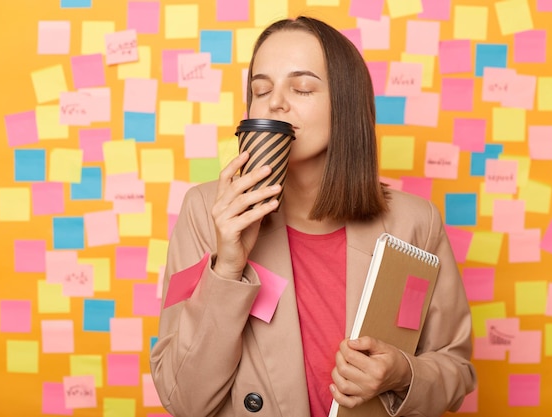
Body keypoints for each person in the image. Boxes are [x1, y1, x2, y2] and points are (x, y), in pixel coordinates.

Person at [150, 16, 476, 417]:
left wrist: (401, 374)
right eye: (261, 89)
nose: (276, 103)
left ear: (346, 104)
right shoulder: (208, 212)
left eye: (302, 87)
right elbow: (184, 400)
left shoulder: (415, 222)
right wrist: (228, 266)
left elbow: (456, 370)